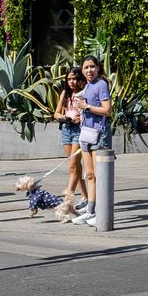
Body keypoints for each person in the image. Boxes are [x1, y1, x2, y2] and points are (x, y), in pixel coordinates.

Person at [73, 55, 113, 226]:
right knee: (89, 175)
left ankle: (101, 212)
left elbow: (107, 110)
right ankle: (90, 210)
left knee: (100, 175)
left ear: (98, 68)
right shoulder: (88, 86)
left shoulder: (101, 85)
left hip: (99, 133)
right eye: (86, 67)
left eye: (92, 67)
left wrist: (87, 107)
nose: (89, 70)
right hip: (86, 133)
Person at [54, 67, 88, 220]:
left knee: (73, 166)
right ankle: (87, 197)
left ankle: (67, 201)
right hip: (67, 129)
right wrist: (64, 117)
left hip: (79, 130)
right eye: (69, 79)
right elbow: (56, 113)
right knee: (76, 168)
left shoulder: (84, 93)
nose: (71, 82)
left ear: (80, 79)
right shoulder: (65, 94)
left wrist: (80, 118)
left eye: (74, 79)